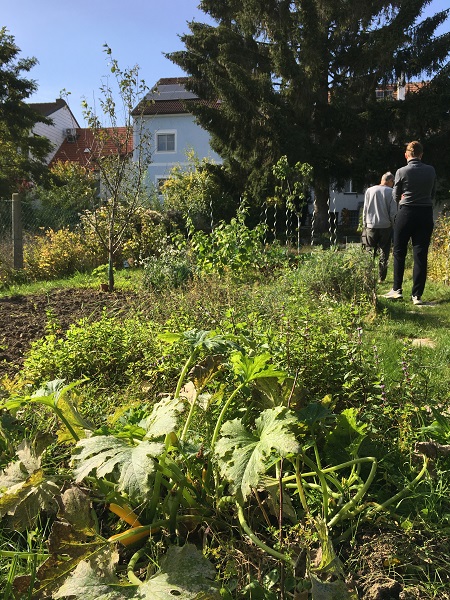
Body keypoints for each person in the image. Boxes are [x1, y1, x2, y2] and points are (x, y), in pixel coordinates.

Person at [384, 140, 436, 305]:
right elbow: (432, 192)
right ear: (421, 155)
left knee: (399, 251)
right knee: (420, 254)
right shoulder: (431, 170)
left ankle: (397, 290)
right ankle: (417, 295)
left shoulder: (401, 171)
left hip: (406, 212)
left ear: (407, 155)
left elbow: (395, 194)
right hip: (425, 213)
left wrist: (403, 199)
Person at [362, 172, 397, 282]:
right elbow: (393, 212)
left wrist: (364, 223)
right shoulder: (391, 192)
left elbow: (365, 208)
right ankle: (381, 277)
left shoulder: (370, 190)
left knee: (369, 250)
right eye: (393, 182)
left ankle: (367, 276)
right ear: (390, 181)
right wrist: (393, 224)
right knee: (384, 251)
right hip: (385, 225)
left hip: (371, 224)